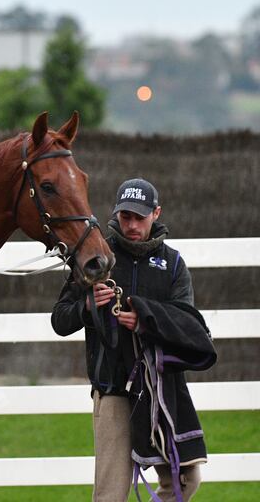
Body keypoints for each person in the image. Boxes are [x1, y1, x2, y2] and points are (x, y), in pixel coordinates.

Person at [51, 178, 216, 501]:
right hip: (112, 390)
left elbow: (187, 324)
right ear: (116, 214)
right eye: (125, 216)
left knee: (187, 479)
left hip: (160, 389)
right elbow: (60, 320)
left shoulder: (173, 265)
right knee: (110, 495)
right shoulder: (96, 256)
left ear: (156, 213)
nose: (131, 224)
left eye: (139, 217)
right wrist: (87, 306)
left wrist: (146, 320)